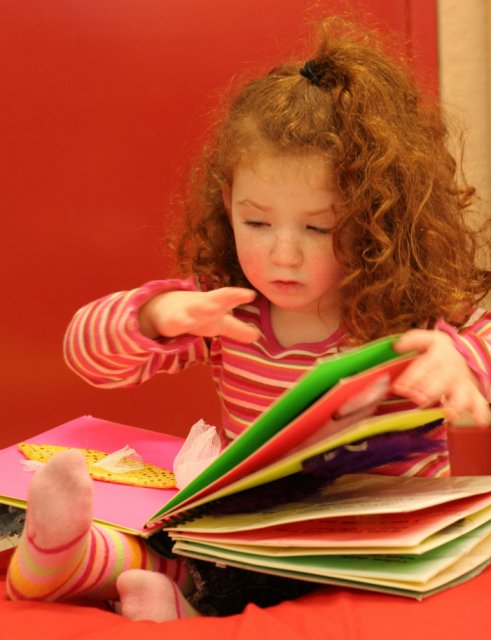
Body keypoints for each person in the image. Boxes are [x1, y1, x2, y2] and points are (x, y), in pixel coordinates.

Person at [7, 16, 491, 621]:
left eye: (318, 229)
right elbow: (87, 356)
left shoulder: (406, 311)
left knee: (298, 586)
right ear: (226, 204)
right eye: (256, 222)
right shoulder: (227, 308)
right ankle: (73, 557)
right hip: (253, 540)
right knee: (180, 542)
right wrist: (156, 315)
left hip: (376, 548)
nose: (281, 254)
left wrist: (462, 358)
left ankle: (172, 603)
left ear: (377, 224)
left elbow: (483, 341)